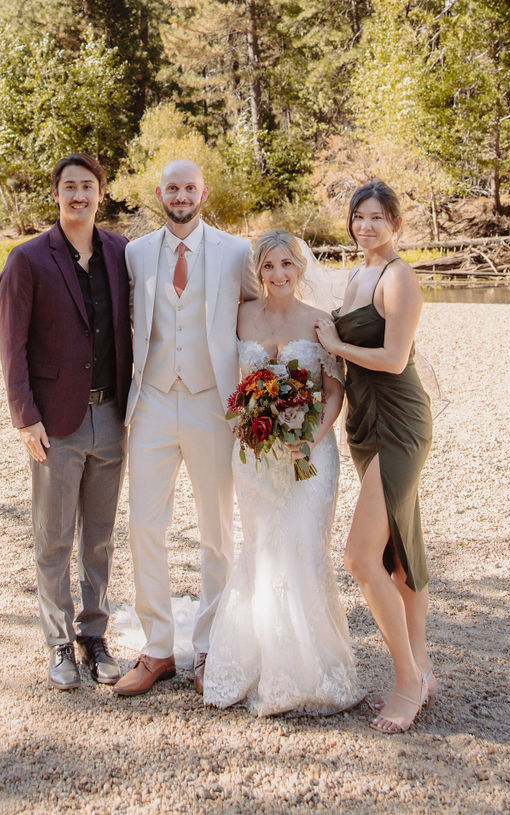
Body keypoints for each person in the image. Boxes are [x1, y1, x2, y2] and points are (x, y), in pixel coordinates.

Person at [112, 159, 261, 698]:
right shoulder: (134, 252)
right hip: (150, 399)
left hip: (211, 404)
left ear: (203, 191)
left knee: (217, 531)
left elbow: (262, 309)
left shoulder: (236, 253)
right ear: (159, 193)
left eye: (189, 187)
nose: (180, 196)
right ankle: (156, 649)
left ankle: (210, 646)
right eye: (171, 188)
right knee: (144, 525)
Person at [203, 230, 363, 717]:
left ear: (300, 268)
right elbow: (230, 382)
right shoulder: (240, 316)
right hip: (253, 456)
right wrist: (251, 422)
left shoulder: (319, 322)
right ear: (258, 269)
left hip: (308, 455)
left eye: (286, 266)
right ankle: (255, 663)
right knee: (262, 551)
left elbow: (334, 391)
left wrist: (310, 437)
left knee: (303, 549)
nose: (278, 276)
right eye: (269, 266)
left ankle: (310, 669)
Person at [0, 154, 132, 691]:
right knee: (53, 538)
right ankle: (57, 642)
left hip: (113, 414)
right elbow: (12, 343)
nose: (79, 195)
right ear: (56, 194)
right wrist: (25, 417)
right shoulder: (28, 258)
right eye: (70, 187)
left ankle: (94, 635)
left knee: (99, 538)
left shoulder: (122, 253)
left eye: (88, 186)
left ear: (102, 192)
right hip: (56, 422)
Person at [315, 180, 434, 734]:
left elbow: (394, 356)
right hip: (363, 422)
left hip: (398, 422)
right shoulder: (356, 275)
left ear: (395, 224)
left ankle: (406, 681)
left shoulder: (398, 275)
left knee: (362, 558)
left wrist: (335, 346)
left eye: (377, 217)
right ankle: (424, 667)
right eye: (359, 217)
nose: (367, 226)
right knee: (402, 552)